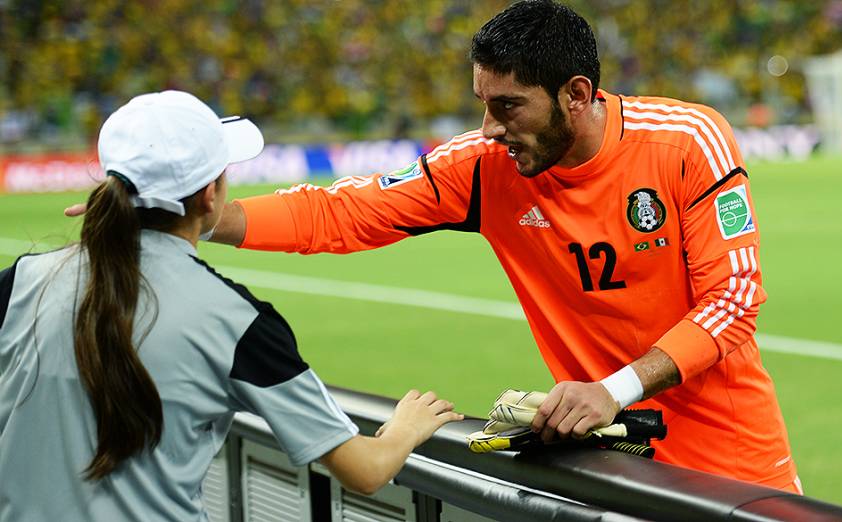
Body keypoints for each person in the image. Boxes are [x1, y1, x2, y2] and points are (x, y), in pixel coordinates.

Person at [67, 1, 799, 493]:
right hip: (604, 450)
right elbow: (346, 213)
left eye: (507, 106)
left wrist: (613, 387)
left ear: (576, 95)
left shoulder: (685, 143)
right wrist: (188, 216)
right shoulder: (484, 167)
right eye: (482, 102)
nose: (487, 126)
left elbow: (733, 299)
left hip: (729, 455)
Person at [1, 91, 462, 521]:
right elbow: (365, 471)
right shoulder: (237, 319)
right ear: (209, 195)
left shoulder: (20, 280)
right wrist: (407, 426)